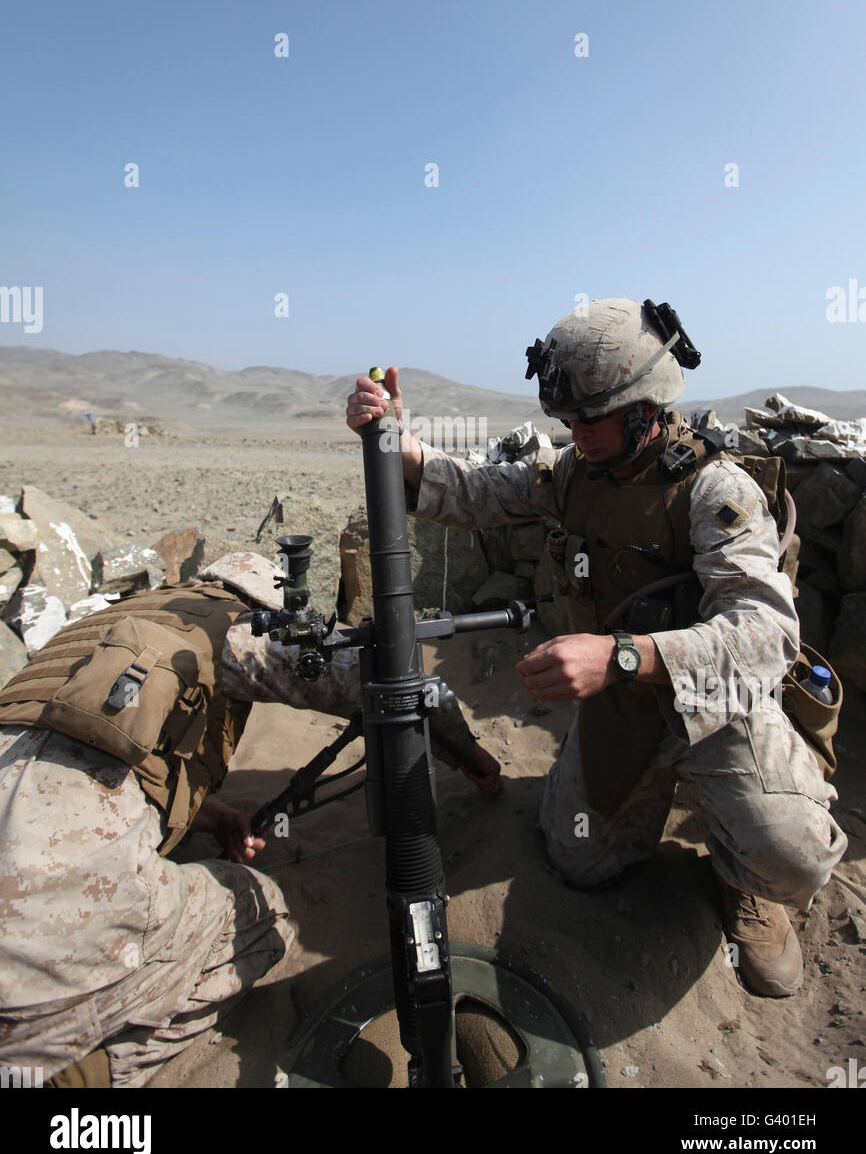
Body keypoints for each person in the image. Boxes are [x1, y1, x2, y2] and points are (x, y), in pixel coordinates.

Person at [345, 298, 848, 998]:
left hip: (718, 705)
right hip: (627, 709)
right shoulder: (575, 475)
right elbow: (476, 493)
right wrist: (402, 446)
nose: (573, 433)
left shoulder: (714, 490)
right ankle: (649, 804)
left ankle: (747, 885)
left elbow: (768, 634)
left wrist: (619, 656)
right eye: (565, 421)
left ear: (645, 408)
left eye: (589, 418)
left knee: (791, 855)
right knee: (581, 861)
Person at [0, 551, 497, 1086]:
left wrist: (200, 815)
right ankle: (74, 1074)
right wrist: (477, 763)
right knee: (260, 917)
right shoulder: (236, 628)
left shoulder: (99, 627)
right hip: (31, 934)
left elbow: (75, 745)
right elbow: (397, 683)